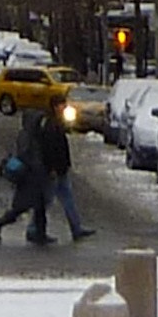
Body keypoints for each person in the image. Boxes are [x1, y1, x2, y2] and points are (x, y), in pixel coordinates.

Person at [36, 96, 96, 241]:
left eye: (64, 104)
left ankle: (76, 228)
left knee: (65, 198)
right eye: (61, 105)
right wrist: (52, 168)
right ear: (55, 107)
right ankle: (34, 228)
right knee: (46, 200)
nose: (63, 107)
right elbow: (49, 148)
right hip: (54, 170)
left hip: (60, 169)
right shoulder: (50, 124)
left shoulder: (56, 123)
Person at [0, 107, 51, 244]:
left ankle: (41, 234)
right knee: (21, 208)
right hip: (29, 178)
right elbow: (24, 155)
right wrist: (35, 165)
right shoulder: (26, 136)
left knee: (39, 207)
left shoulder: (32, 134)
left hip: (35, 177)